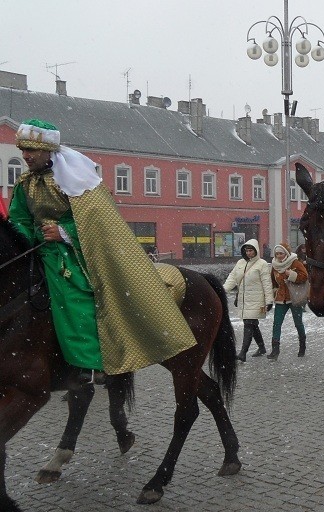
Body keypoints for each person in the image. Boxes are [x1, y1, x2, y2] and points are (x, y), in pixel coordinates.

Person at [7, 119, 196, 383]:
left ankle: (90, 362)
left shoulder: (74, 180)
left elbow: (97, 219)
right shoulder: (25, 183)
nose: (26, 156)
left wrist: (63, 232)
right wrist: (25, 240)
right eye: (23, 150)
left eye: (32, 150)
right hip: (39, 250)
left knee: (71, 295)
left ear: (48, 151)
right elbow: (19, 220)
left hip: (73, 253)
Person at [223, 239, 273, 362]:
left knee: (249, 324)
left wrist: (269, 301)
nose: (248, 253)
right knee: (252, 324)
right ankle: (261, 347)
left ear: (256, 251)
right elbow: (232, 278)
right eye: (247, 250)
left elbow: (267, 283)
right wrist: (223, 291)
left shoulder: (262, 264)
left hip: (257, 300)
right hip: (244, 300)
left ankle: (243, 353)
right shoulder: (240, 263)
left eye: (251, 250)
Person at [268, 243, 309, 359]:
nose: (279, 256)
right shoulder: (274, 265)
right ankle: (275, 350)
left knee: (298, 323)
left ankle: (302, 345)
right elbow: (273, 281)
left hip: (294, 297)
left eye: (281, 253)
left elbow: (305, 276)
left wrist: (291, 274)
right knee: (277, 323)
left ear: (286, 253)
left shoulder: (295, 262)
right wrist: (275, 291)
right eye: (277, 254)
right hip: (281, 299)